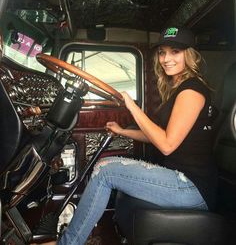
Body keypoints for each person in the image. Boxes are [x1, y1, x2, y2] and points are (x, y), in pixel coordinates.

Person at [37, 27, 217, 245]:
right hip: (179, 178)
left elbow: (167, 145)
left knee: (105, 171)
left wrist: (132, 106)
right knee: (106, 167)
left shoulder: (191, 91)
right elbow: (158, 136)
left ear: (189, 54)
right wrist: (123, 131)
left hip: (191, 187)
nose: (166, 59)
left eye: (175, 51)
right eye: (162, 52)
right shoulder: (178, 89)